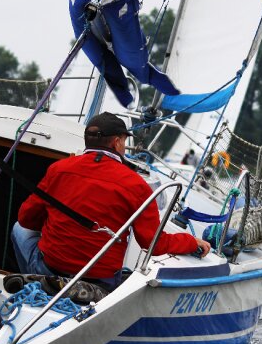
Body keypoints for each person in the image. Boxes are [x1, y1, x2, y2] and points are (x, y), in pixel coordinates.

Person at [11, 112, 210, 288]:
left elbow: (26, 218)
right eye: (123, 141)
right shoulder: (136, 184)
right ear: (116, 142)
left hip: (51, 268)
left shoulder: (59, 169)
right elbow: (153, 244)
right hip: (99, 279)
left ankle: (36, 282)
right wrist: (191, 242)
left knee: (19, 230)